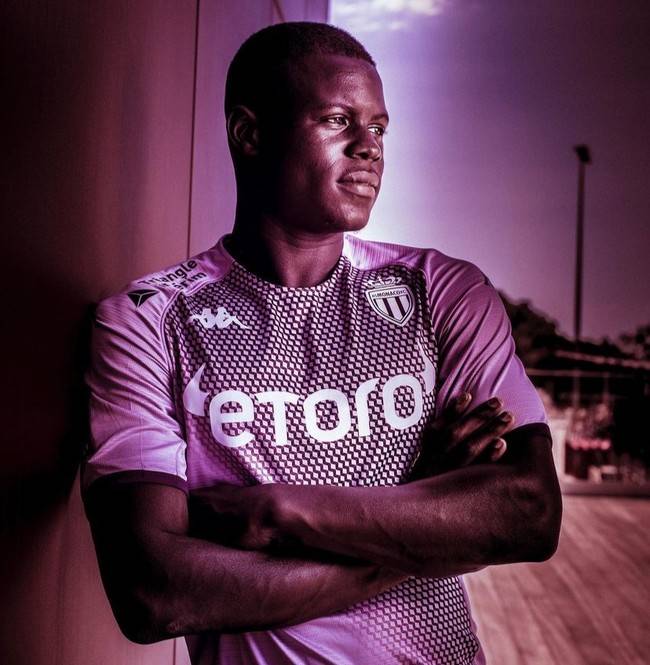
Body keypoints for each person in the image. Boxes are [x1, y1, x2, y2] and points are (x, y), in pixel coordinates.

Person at [83, 22, 561, 665]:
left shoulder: (441, 290)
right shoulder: (149, 320)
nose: (369, 148)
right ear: (250, 134)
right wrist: (430, 521)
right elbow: (155, 591)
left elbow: (528, 512)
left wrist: (279, 511)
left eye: (379, 128)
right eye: (338, 120)